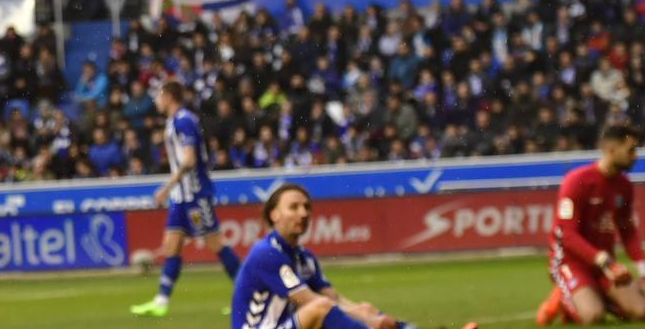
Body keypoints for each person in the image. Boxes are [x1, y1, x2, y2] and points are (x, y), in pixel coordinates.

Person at [231, 184, 440, 329]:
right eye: (293, 207)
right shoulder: (266, 253)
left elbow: (334, 299)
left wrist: (369, 315)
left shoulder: (305, 257)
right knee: (320, 308)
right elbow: (310, 301)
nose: (303, 213)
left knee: (362, 307)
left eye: (306, 207)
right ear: (273, 214)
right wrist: (367, 321)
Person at [131, 82, 240, 318]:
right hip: (181, 197)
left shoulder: (183, 121)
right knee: (171, 245)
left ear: (169, 97)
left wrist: (166, 187)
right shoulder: (174, 122)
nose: (156, 101)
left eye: (159, 96)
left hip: (195, 194)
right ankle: (161, 302)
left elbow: (190, 159)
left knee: (216, 244)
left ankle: (248, 296)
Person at [536, 125, 645, 325]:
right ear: (611, 150)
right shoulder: (577, 181)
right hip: (570, 262)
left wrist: (643, 270)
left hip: (604, 265)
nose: (636, 156)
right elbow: (566, 234)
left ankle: (594, 293)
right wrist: (599, 257)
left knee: (642, 312)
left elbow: (627, 230)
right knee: (593, 317)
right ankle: (559, 301)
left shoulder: (624, 186)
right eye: (631, 150)